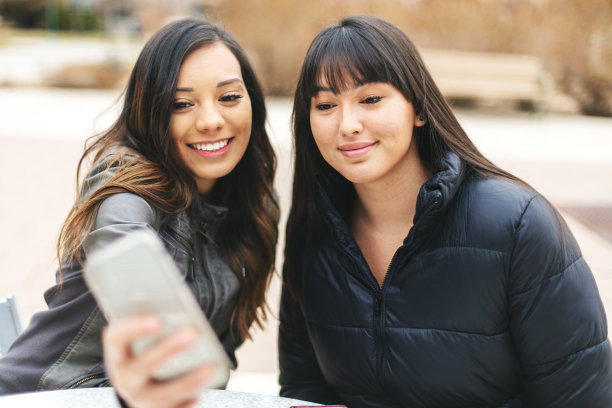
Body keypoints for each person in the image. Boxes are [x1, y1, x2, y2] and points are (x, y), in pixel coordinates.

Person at [279, 14, 612, 408]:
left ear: (418, 108)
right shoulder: (313, 234)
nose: (347, 124)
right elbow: (304, 389)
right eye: (326, 105)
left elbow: (581, 398)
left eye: (370, 99)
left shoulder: (518, 227)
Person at [0, 17, 278, 408]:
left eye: (229, 97)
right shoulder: (127, 176)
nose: (212, 120)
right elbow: (120, 240)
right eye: (182, 104)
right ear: (151, 111)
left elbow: (215, 364)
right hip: (49, 395)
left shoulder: (257, 206)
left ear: (254, 100)